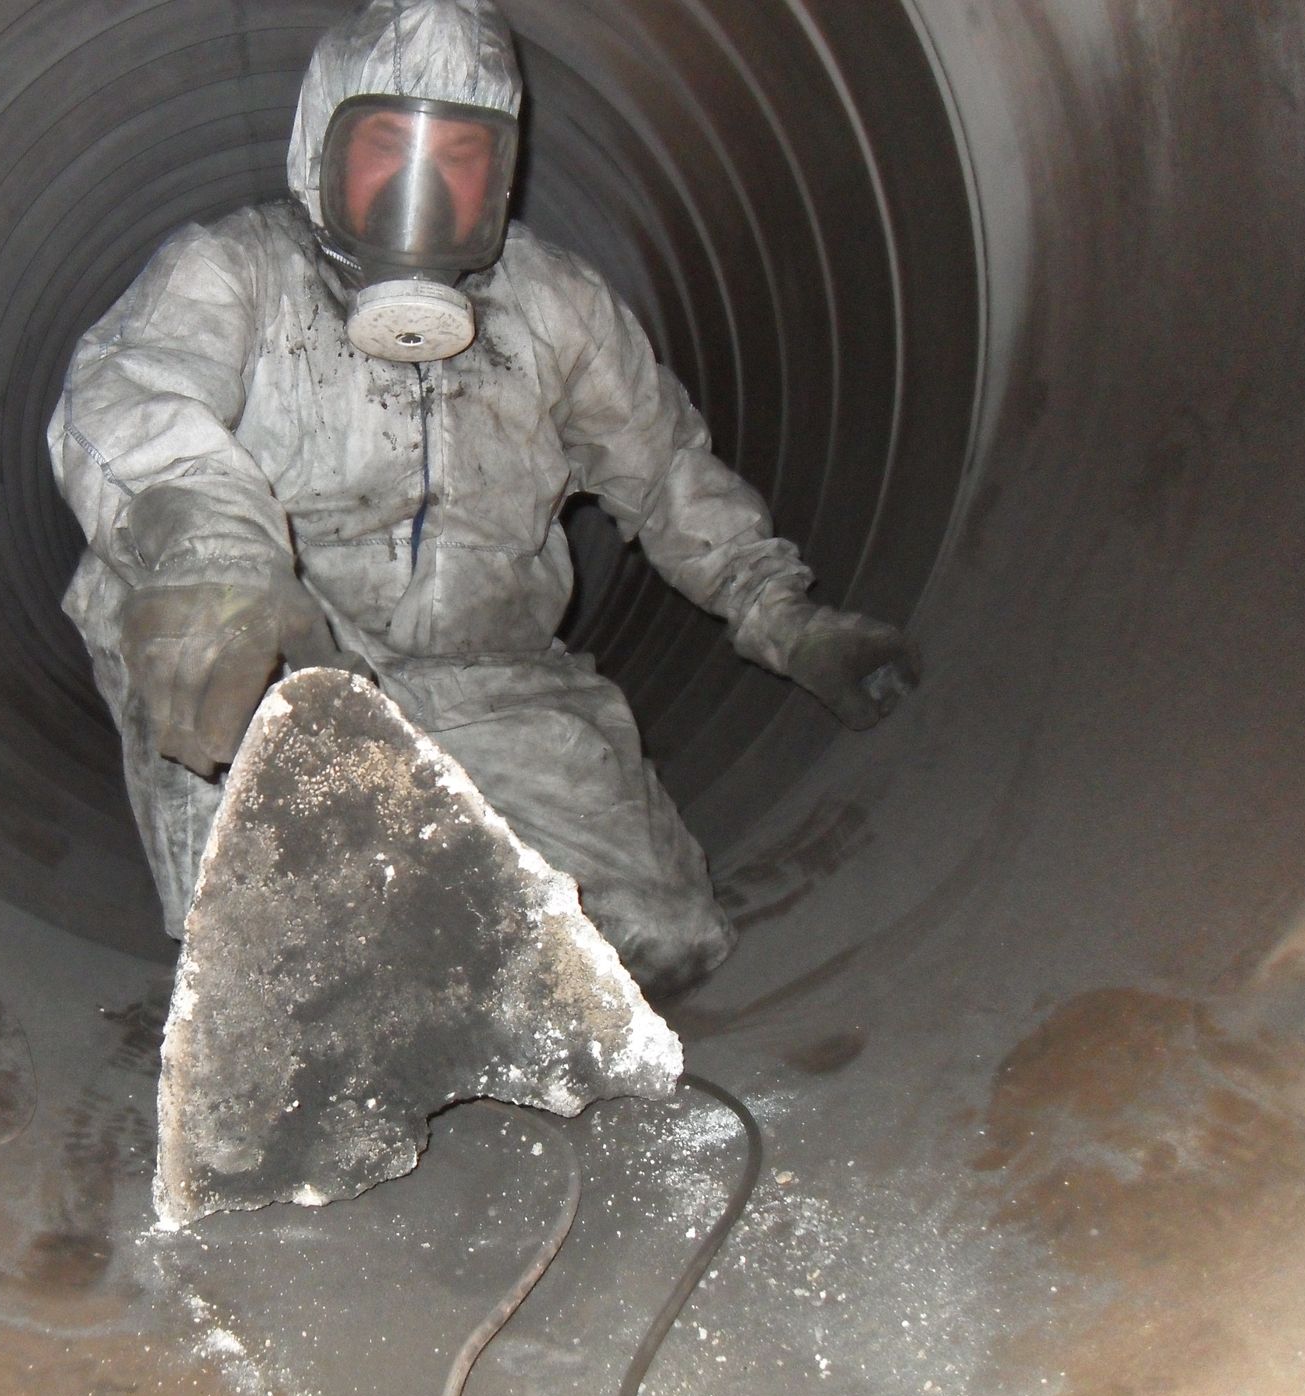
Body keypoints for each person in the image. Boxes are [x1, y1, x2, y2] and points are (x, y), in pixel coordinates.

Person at [47, 0, 917, 1001]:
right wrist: (217, 560)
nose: (423, 185)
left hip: (491, 679)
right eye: (388, 148)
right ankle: (297, 966)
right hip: (289, 666)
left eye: (459, 158)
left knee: (661, 937)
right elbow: (124, 400)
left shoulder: (559, 307)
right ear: (320, 147)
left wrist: (789, 622)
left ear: (500, 175)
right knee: (289, 952)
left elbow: (668, 475)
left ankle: (442, 952)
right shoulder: (235, 274)